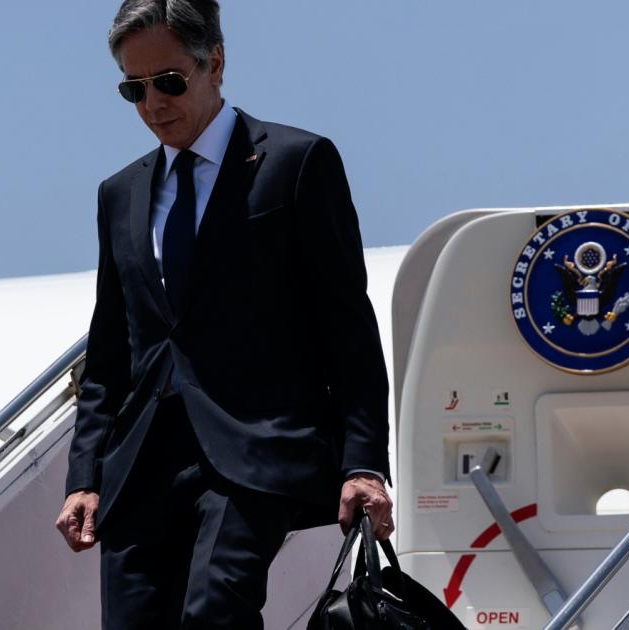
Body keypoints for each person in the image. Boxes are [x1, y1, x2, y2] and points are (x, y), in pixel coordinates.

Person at [55, 1, 392, 627]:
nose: (153, 104)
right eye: (134, 88)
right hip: (142, 461)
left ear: (214, 63)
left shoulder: (296, 161)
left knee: (215, 613)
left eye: (168, 81)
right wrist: (84, 476)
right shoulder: (119, 194)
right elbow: (110, 353)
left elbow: (346, 325)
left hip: (255, 447)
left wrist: (364, 462)